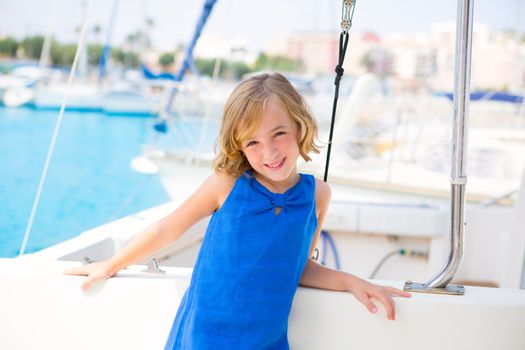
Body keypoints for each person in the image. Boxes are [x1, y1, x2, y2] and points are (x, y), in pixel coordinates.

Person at [64, 72, 411, 349]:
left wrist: (351, 282)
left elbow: (298, 267)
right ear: (239, 146)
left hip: (266, 342)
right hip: (204, 339)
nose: (270, 152)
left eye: (279, 134)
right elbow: (168, 229)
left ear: (300, 127)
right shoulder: (226, 184)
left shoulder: (317, 195)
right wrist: (110, 266)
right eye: (253, 142)